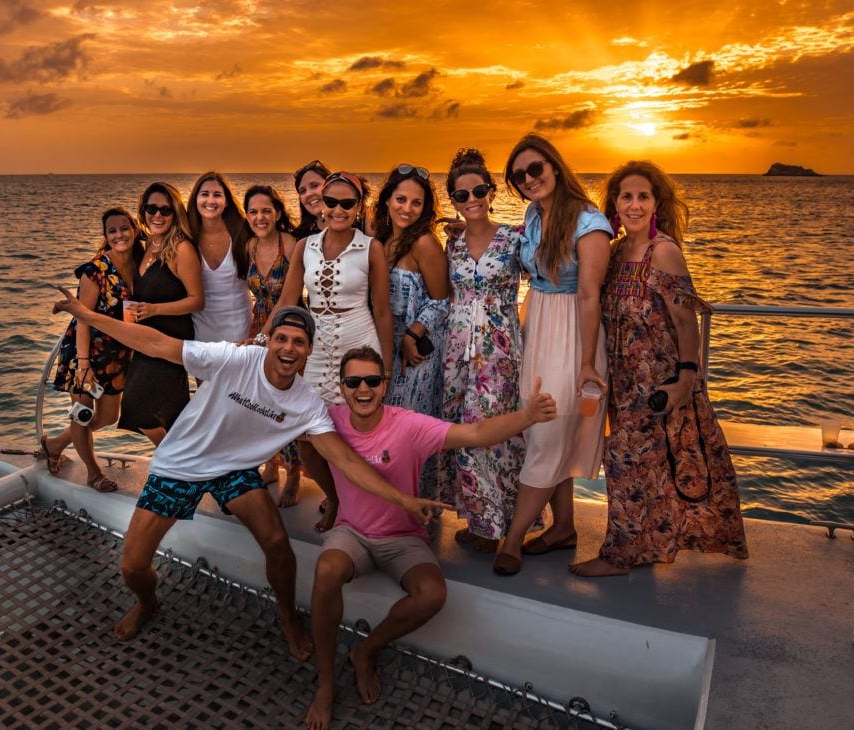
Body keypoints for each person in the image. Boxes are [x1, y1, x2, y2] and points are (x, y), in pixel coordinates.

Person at [50, 292, 447, 658]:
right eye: (282, 339)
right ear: (268, 340)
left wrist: (404, 500)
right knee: (133, 567)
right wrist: (87, 315)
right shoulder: (235, 359)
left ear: (309, 351)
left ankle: (288, 615)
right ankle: (148, 602)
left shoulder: (307, 405)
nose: (289, 349)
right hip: (180, 465)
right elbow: (155, 344)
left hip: (233, 471)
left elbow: (344, 460)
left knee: (277, 541)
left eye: (299, 342)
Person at [304, 347, 556, 730]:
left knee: (433, 594)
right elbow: (298, 441)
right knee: (326, 572)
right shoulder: (329, 420)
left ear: (385, 384)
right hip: (351, 531)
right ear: (342, 387)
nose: (364, 390)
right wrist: (334, 499)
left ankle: (365, 650)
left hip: (403, 536)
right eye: (353, 382)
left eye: (373, 380)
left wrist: (528, 416)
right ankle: (324, 683)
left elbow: (474, 434)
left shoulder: (408, 425)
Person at [569, 161, 748, 577]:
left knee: (628, 463)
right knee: (641, 466)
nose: (634, 205)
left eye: (642, 196)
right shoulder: (616, 253)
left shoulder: (662, 251)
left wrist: (687, 378)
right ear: (614, 204)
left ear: (656, 204)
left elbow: (686, 321)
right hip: (624, 381)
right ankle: (643, 548)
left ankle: (619, 555)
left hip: (659, 381)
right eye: (626, 196)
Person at [493, 134, 614, 576]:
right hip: (539, 326)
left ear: (556, 167)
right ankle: (563, 526)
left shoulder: (590, 222)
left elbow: (588, 295)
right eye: (519, 175)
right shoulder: (534, 214)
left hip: (571, 335)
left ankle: (512, 540)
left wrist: (585, 361)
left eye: (536, 169)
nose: (528, 179)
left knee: (547, 432)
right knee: (545, 429)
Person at [264, 171, 394, 530]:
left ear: (358, 206)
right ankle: (335, 498)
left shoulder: (371, 248)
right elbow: (288, 301)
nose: (338, 209)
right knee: (307, 436)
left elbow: (382, 310)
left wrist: (387, 365)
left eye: (347, 203)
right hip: (316, 346)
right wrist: (262, 340)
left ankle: (357, 505)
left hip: (359, 339)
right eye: (330, 201)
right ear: (320, 203)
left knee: (356, 434)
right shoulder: (305, 246)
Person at [438, 148, 526, 553]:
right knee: (460, 427)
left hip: (498, 351)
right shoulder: (451, 244)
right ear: (452, 201)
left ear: (491, 193)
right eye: (461, 195)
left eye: (478, 191)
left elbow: (554, 276)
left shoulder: (513, 238)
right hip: (456, 351)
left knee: (486, 433)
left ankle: (492, 527)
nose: (471, 199)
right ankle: (483, 518)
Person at [41, 207, 144, 491]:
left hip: (117, 354)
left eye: (124, 228)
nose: (119, 235)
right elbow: (83, 319)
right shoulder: (95, 271)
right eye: (112, 231)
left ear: (134, 230)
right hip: (84, 351)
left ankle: (56, 444)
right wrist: (84, 364)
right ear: (106, 236)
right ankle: (93, 473)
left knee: (109, 416)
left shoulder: (140, 266)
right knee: (82, 414)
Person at [372, 164, 450, 498]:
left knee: (408, 434)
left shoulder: (424, 244)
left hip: (415, 355)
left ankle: (416, 510)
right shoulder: (381, 240)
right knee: (382, 432)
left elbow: (444, 300)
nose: (407, 208)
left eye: (416, 203)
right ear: (387, 200)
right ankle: (380, 504)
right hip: (382, 349)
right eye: (400, 199)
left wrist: (411, 335)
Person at [118, 182, 203, 446]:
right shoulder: (145, 247)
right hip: (144, 341)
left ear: (175, 213)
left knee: (142, 407)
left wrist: (155, 309)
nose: (157, 215)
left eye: (165, 210)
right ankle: (179, 466)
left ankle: (174, 462)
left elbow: (197, 300)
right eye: (151, 208)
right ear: (142, 211)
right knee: (158, 412)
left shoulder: (181, 248)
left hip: (170, 343)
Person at [244, 185, 303, 506]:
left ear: (278, 213)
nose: (260, 217)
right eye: (253, 211)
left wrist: (267, 334)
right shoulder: (250, 245)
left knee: (286, 402)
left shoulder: (291, 245)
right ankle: (271, 463)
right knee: (262, 401)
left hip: (289, 329)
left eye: (266, 210)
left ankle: (294, 473)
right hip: (260, 326)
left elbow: (290, 296)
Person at [187, 172, 252, 343]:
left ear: (227, 201)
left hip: (240, 329)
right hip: (200, 333)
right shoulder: (187, 236)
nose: (210, 201)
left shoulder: (243, 232)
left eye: (217, 195)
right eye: (204, 194)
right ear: (195, 199)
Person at [293, 160, 331, 240]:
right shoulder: (301, 236)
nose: (308, 194)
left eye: (314, 186)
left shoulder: (359, 222)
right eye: (303, 191)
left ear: (331, 185)